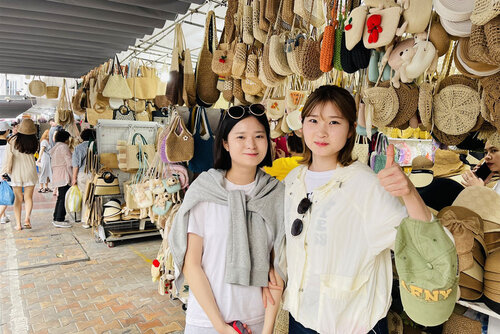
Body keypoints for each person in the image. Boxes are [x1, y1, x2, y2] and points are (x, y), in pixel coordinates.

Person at [281, 85, 432, 334]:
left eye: (334, 122)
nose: (321, 131)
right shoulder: (294, 180)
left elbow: (420, 243)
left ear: (351, 129)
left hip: (351, 321)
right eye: (313, 120)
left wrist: (409, 193)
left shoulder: (365, 185)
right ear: (302, 125)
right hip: (301, 316)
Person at [168, 105, 286, 334]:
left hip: (257, 320)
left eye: (259, 136)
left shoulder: (276, 195)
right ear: (225, 143)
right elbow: (192, 264)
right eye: (240, 136)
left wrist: (268, 330)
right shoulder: (205, 190)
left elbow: (277, 272)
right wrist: (219, 325)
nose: (251, 144)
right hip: (207, 321)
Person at [1, 119, 39, 230]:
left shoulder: (12, 141)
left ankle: (18, 224)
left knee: (18, 198)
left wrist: (3, 172)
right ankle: (27, 219)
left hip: (16, 173)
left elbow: (7, 158)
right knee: (28, 198)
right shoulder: (34, 141)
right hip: (30, 171)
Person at [71, 129, 95, 227]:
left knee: (85, 197)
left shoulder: (78, 148)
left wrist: (74, 178)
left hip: (82, 174)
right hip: (94, 174)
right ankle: (94, 218)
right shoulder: (97, 146)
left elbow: (76, 165)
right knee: (93, 197)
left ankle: (86, 221)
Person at [50, 130, 73, 228]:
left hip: (57, 175)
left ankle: (57, 217)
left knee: (60, 197)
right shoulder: (64, 147)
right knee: (63, 197)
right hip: (64, 175)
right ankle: (59, 219)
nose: (69, 141)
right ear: (65, 139)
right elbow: (69, 163)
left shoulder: (55, 148)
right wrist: (73, 177)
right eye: (68, 139)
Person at [0, 121, 11, 224]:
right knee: (6, 195)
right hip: (4, 173)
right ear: (7, 131)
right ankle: (1, 215)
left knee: (1, 195)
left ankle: (4, 216)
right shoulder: (8, 144)